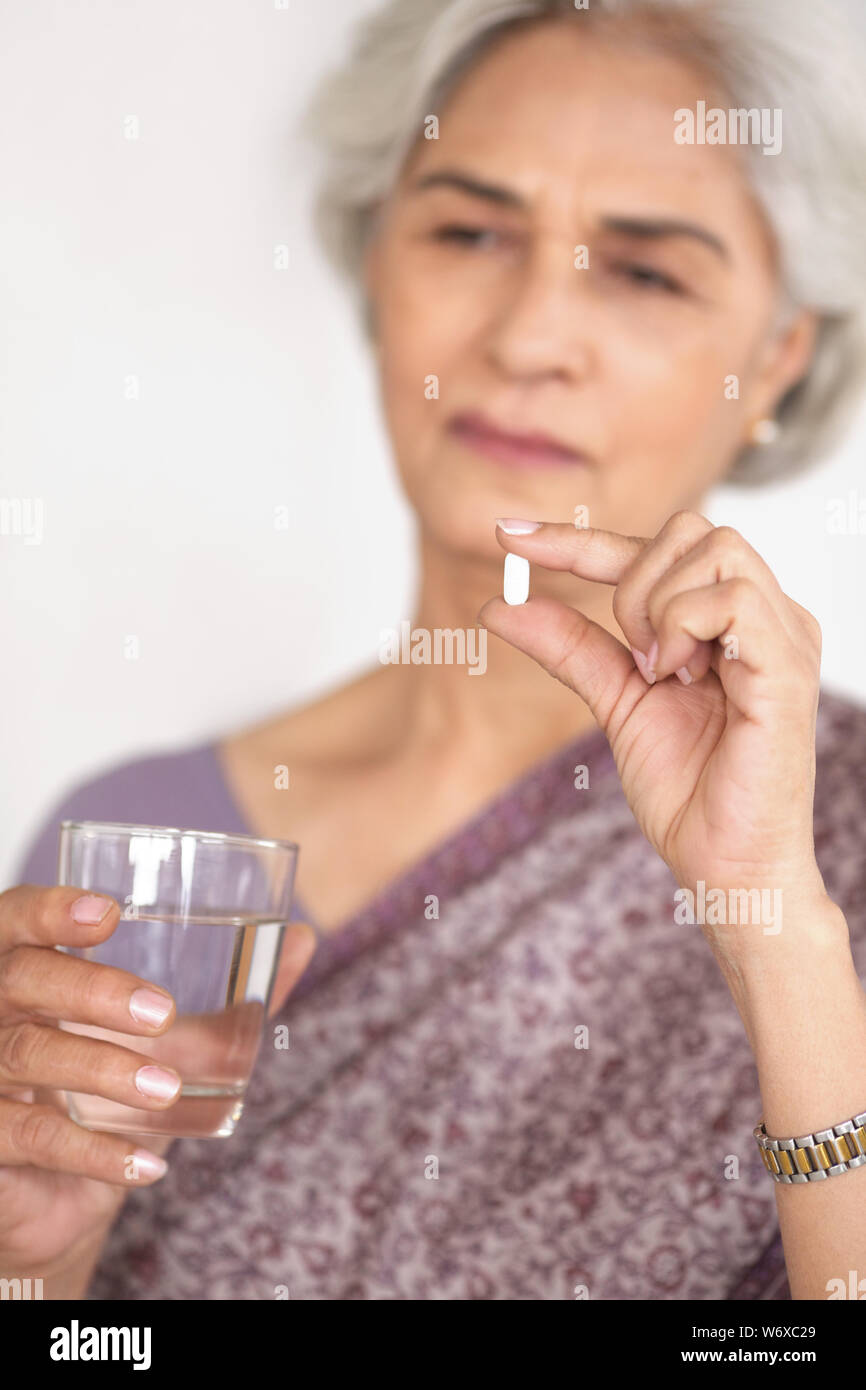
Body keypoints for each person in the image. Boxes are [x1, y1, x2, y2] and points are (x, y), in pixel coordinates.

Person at [3, 0, 866, 1300]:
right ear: (376, 264)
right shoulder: (142, 851)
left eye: (644, 272)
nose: (526, 338)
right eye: (469, 233)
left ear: (778, 356)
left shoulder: (836, 832)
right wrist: (37, 1271)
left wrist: (775, 923)